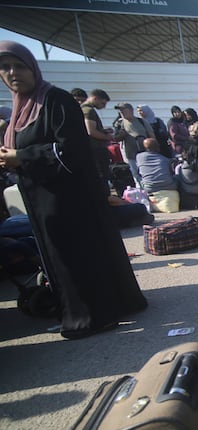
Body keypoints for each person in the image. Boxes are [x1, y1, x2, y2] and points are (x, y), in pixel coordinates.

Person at [0, 40, 147, 339]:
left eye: (19, 66)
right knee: (63, 256)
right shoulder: (20, 110)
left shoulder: (56, 101)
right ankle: (91, 307)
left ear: (33, 67)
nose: (13, 73)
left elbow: (71, 150)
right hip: (42, 199)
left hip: (70, 199)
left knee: (78, 256)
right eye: (5, 68)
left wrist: (21, 157)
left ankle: (92, 316)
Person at [112, 102, 154, 187]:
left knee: (147, 173)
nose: (121, 112)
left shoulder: (141, 121)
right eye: (120, 111)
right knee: (135, 175)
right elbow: (116, 138)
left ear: (130, 110)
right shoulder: (120, 123)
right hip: (130, 155)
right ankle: (140, 192)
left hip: (144, 153)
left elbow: (152, 136)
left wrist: (154, 149)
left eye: (123, 110)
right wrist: (121, 133)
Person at [81, 88, 114, 184]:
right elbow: (91, 131)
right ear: (95, 98)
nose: (103, 107)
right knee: (101, 177)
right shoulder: (88, 110)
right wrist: (108, 137)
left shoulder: (81, 108)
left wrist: (103, 131)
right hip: (96, 149)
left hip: (90, 149)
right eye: (103, 103)